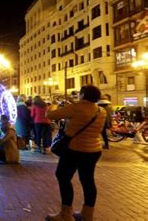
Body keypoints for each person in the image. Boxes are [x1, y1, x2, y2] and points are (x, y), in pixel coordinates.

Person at [45, 85, 106, 221]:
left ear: (83, 95)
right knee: (88, 181)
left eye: (80, 94)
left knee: (63, 177)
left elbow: (50, 115)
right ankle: (87, 214)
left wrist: (54, 104)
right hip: (94, 150)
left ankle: (65, 214)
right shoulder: (101, 111)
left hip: (74, 149)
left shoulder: (77, 107)